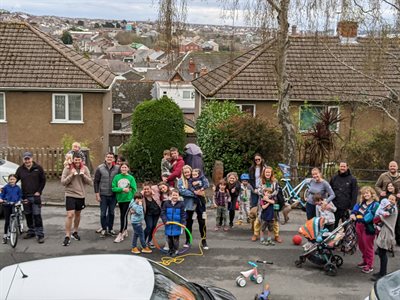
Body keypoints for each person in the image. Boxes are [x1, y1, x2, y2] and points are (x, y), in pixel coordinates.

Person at [61, 152, 93, 246]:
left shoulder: (85, 168)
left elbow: (90, 182)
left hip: (80, 195)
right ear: (73, 160)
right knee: (70, 215)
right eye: (76, 160)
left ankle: (75, 232)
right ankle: (67, 235)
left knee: (78, 214)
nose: (77, 161)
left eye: (79, 160)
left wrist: (83, 175)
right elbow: (63, 182)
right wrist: (72, 175)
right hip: (70, 194)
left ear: (82, 160)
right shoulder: (67, 168)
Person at [15, 151, 46, 243]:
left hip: (35, 196)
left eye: (28, 159)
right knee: (28, 214)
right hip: (25, 197)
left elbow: (43, 181)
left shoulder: (38, 168)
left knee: (37, 215)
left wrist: (39, 191)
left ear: (32, 159)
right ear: (23, 160)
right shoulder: (20, 169)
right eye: (25, 159)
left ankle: (40, 234)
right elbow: (14, 180)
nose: (27, 160)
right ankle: (31, 231)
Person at [350, 186, 380, 274]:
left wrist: (357, 218)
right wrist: (353, 213)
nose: (365, 194)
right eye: (364, 193)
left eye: (367, 193)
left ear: (372, 194)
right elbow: (355, 208)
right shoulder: (362, 202)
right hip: (359, 226)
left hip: (368, 228)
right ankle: (365, 261)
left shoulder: (376, 204)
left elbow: (368, 218)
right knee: (361, 245)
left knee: (368, 247)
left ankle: (369, 265)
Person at [178, 165, 208, 250]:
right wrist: (195, 193)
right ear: (183, 173)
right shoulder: (181, 181)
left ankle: (204, 240)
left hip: (200, 204)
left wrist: (200, 187)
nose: (187, 174)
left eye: (188, 172)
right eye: (185, 173)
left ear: (191, 171)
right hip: (188, 205)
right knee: (188, 223)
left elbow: (205, 183)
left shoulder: (197, 178)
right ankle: (188, 240)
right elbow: (182, 191)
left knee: (202, 222)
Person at [371, 194, 398, 281]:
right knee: (381, 253)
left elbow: (379, 217)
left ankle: (382, 274)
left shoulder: (392, 209)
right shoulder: (389, 208)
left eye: (393, 199)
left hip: (387, 233)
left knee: (383, 254)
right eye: (389, 199)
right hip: (384, 232)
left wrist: (378, 214)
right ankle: (381, 272)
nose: (390, 201)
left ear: (395, 202)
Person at [93, 152, 119, 237]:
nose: (109, 158)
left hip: (113, 195)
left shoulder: (117, 169)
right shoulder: (100, 168)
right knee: (103, 213)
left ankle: (110, 229)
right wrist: (97, 194)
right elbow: (96, 182)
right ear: (105, 158)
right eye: (108, 157)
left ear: (113, 159)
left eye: (111, 157)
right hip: (103, 194)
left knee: (111, 213)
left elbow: (121, 180)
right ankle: (104, 229)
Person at [375, 161, 400, 245]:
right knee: (384, 221)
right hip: (385, 200)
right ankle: (382, 241)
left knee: (397, 221)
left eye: (394, 166)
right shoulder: (383, 176)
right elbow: (377, 186)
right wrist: (380, 192)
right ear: (389, 167)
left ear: (397, 167)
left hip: (397, 201)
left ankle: (397, 241)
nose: (392, 167)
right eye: (391, 166)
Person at [112, 162, 137, 243]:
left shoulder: (131, 178)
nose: (124, 169)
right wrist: (122, 189)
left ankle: (120, 233)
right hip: (120, 199)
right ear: (120, 168)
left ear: (128, 169)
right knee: (123, 216)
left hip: (128, 200)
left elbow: (134, 189)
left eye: (125, 167)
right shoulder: (117, 177)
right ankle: (125, 230)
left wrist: (131, 197)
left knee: (123, 216)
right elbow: (113, 188)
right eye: (122, 167)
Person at [329, 162, 358, 228]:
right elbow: (329, 192)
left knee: (347, 228)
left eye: (344, 166)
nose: (342, 168)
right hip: (335, 207)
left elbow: (354, 194)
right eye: (341, 166)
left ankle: (346, 238)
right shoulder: (334, 178)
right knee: (333, 227)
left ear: (347, 167)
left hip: (346, 208)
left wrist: (352, 208)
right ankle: (333, 238)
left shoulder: (352, 179)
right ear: (339, 167)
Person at [258, 166, 282, 243]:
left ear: (271, 173)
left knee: (274, 219)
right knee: (260, 219)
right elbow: (259, 190)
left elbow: (277, 190)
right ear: (264, 173)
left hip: (272, 201)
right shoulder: (261, 181)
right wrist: (264, 197)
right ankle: (256, 234)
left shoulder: (275, 181)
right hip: (263, 201)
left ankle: (276, 235)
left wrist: (269, 197)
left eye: (269, 172)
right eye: (266, 172)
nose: (267, 173)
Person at [161, 189, 186, 257]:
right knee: (169, 238)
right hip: (168, 224)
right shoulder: (166, 203)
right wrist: (165, 221)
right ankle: (171, 250)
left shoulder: (181, 204)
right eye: (173, 195)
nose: (174, 196)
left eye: (176, 195)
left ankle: (176, 250)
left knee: (176, 238)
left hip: (177, 224)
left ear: (178, 196)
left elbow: (183, 215)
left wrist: (183, 224)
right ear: (170, 196)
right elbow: (163, 213)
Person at [0, 174, 22, 244]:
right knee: (7, 221)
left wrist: (19, 201)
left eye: (13, 179)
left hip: (14, 204)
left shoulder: (17, 188)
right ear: (8, 180)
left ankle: (14, 227)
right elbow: (2, 195)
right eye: (10, 179)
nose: (12, 180)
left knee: (14, 217)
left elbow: (20, 196)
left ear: (16, 180)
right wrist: (1, 199)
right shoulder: (5, 187)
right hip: (7, 205)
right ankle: (5, 236)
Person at [142, 182, 162, 248]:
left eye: (148, 189)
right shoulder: (142, 196)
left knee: (153, 227)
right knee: (149, 226)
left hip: (156, 213)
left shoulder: (156, 192)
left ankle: (149, 241)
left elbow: (161, 185)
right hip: (148, 214)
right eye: (145, 189)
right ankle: (143, 241)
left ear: (151, 189)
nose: (146, 190)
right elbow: (134, 201)